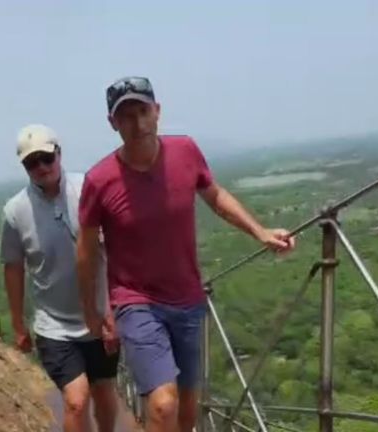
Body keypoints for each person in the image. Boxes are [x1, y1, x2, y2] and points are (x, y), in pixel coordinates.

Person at [76, 77, 296, 432]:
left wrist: (261, 232)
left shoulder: (186, 151)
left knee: (187, 413)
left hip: (188, 299)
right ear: (112, 123)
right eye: (126, 115)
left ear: (158, 112)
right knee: (163, 405)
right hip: (136, 301)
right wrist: (93, 311)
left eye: (143, 111)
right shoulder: (100, 180)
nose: (137, 123)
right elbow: (85, 251)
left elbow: (215, 197)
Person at [0, 124, 119, 432]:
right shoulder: (15, 211)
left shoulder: (88, 190)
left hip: (101, 319)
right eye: (31, 162)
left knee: (104, 392)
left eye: (46, 158)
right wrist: (17, 324)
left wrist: (114, 310)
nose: (40, 167)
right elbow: (12, 266)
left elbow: (118, 248)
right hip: (54, 326)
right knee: (77, 400)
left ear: (59, 154)